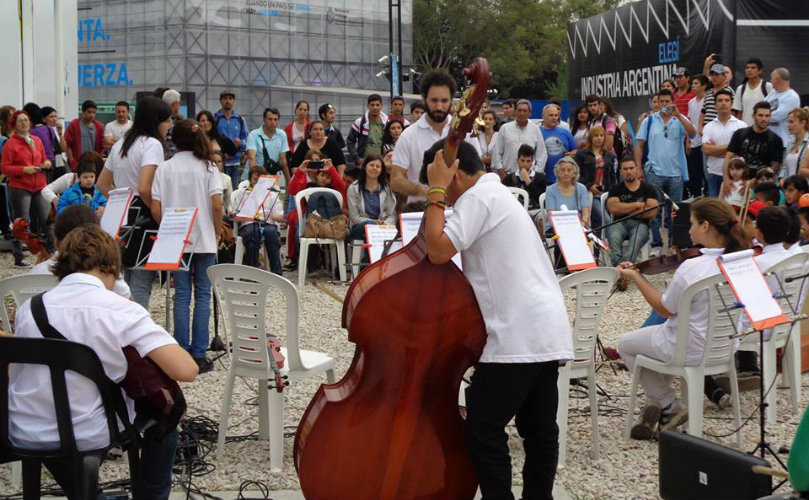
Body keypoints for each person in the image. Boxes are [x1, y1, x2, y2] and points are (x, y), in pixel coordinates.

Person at [421, 138, 572, 500]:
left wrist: (436, 193)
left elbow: (439, 251)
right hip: (545, 326)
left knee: (483, 429)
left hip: (516, 333)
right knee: (539, 431)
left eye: (436, 179)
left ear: (453, 172)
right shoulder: (499, 194)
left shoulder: (478, 198)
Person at [8, 224, 198, 500]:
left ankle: (90, 494)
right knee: (166, 413)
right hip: (84, 431)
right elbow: (187, 370)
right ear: (112, 267)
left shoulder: (30, 308)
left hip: (25, 426)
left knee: (57, 411)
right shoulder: (119, 309)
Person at [617, 198, 750, 439]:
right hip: (725, 347)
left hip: (688, 348)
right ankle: (657, 405)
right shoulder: (742, 261)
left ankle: (668, 404)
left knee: (626, 345)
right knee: (655, 344)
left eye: (692, 223)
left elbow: (665, 309)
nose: (689, 230)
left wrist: (637, 278)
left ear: (706, 226)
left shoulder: (693, 267)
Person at [151, 119, 224, 373]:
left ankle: (180, 349)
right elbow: (216, 204)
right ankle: (199, 352)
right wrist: (217, 229)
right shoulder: (208, 167)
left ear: (173, 140)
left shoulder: (164, 168)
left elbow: (156, 207)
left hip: (176, 240)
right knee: (203, 293)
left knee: (182, 295)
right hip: (203, 237)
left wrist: (169, 227)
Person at [98, 97, 173, 310]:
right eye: (167, 121)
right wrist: (157, 212)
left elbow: (102, 183)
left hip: (121, 212)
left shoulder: (122, 142)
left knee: (123, 276)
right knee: (141, 276)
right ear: (155, 121)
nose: (170, 125)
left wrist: (121, 199)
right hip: (143, 214)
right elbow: (144, 188)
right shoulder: (152, 145)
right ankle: (137, 327)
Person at [634, 89, 697, 256]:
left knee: (674, 212)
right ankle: (657, 245)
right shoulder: (649, 121)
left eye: (667, 101)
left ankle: (674, 244)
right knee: (654, 211)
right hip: (654, 171)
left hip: (675, 172)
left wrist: (680, 115)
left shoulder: (680, 120)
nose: (664, 105)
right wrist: (639, 167)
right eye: (661, 101)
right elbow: (639, 145)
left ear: (672, 101)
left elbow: (693, 133)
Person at [391, 69, 458, 203]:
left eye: (444, 101)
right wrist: (427, 192)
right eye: (434, 100)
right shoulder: (409, 135)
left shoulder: (462, 131)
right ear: (424, 99)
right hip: (420, 211)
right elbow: (396, 180)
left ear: (452, 101)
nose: (439, 106)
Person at [2, 109, 55, 266]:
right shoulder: (10, 144)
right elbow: (5, 168)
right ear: (14, 125)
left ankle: (51, 252)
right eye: (20, 121)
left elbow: (46, 158)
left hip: (39, 184)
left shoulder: (36, 140)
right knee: (22, 222)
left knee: (48, 220)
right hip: (20, 186)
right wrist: (23, 169)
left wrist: (46, 163)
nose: (24, 123)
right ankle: (19, 257)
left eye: (26, 120)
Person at [285, 150, 346, 270]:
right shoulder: (306, 182)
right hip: (309, 215)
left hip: (329, 216)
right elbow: (292, 191)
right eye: (312, 161)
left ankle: (333, 264)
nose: (324, 179)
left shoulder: (331, 181)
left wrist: (331, 169)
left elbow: (342, 187)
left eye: (318, 161)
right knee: (300, 229)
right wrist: (299, 172)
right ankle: (304, 262)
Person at [606, 157, 659, 266]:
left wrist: (624, 209)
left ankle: (620, 270)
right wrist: (637, 205)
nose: (628, 172)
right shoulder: (615, 189)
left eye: (631, 168)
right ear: (620, 171)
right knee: (613, 237)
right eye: (625, 169)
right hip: (618, 223)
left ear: (637, 170)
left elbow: (652, 212)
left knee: (635, 242)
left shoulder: (649, 189)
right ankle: (626, 268)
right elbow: (613, 209)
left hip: (641, 225)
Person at [722, 101, 784, 192]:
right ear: (753, 116)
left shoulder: (776, 140)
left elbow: (774, 167)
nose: (764, 119)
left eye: (767, 116)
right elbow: (728, 157)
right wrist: (726, 178)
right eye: (760, 115)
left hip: (761, 187)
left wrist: (753, 181)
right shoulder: (740, 134)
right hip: (736, 184)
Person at [232, 165, 283, 274]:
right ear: (250, 179)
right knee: (252, 234)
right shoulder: (242, 193)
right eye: (255, 179)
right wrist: (244, 213)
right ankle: (253, 272)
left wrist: (268, 215)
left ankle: (277, 272)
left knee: (271, 234)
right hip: (249, 224)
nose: (257, 183)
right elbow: (235, 215)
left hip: (267, 223)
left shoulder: (272, 194)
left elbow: (280, 217)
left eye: (260, 181)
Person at [701, 88, 747, 197]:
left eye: (727, 100)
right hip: (714, 174)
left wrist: (716, 150)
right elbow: (706, 149)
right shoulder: (708, 126)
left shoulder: (741, 126)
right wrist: (731, 149)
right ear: (715, 105)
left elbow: (742, 151)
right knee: (715, 210)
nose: (723, 103)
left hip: (736, 176)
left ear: (731, 104)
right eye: (720, 100)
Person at [493, 100, 547, 182]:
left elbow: (542, 154)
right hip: (508, 175)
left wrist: (535, 173)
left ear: (530, 113)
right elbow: (496, 152)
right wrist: (500, 171)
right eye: (519, 110)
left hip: (529, 177)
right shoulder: (505, 128)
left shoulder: (535, 129)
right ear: (515, 112)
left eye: (525, 111)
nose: (522, 113)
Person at [576, 126, 618, 230]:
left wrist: (613, 193)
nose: (599, 138)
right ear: (590, 138)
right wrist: (589, 186)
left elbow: (613, 176)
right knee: (606, 221)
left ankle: (599, 245)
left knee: (599, 224)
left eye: (601, 135)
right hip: (589, 194)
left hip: (606, 194)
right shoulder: (581, 154)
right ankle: (612, 245)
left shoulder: (609, 155)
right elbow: (576, 174)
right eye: (596, 136)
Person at [347, 154, 397, 241]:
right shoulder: (353, 188)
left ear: (381, 170)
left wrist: (385, 224)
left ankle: (372, 254)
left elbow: (392, 215)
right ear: (364, 167)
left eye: (378, 166)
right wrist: (374, 223)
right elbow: (354, 217)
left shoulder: (386, 189)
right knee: (369, 227)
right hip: (360, 227)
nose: (374, 168)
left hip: (382, 228)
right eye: (371, 165)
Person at [245, 107, 291, 185]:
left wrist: (289, 182)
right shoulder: (254, 134)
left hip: (271, 178)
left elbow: (283, 160)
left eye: (275, 119)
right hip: (253, 177)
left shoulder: (282, 134)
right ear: (264, 120)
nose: (273, 122)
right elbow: (252, 158)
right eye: (270, 119)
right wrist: (255, 181)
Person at [543, 157, 590, 231]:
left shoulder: (582, 188)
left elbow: (586, 214)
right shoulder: (550, 190)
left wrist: (581, 226)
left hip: (578, 226)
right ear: (557, 173)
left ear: (574, 174)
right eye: (562, 170)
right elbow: (551, 215)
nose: (566, 173)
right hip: (556, 227)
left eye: (569, 170)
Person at [214, 90, 249, 190]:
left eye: (230, 98)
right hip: (220, 163)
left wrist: (240, 143)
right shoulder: (215, 119)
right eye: (225, 98)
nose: (227, 101)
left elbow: (247, 140)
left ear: (234, 101)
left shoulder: (240, 119)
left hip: (236, 162)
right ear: (220, 101)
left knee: (234, 191)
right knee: (220, 189)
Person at [501, 144, 545, 213]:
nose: (525, 164)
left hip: (535, 211)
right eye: (522, 160)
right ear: (517, 160)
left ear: (532, 161)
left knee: (541, 218)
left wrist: (528, 181)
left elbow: (542, 200)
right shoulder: (508, 178)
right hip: (515, 211)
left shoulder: (540, 177)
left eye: (528, 161)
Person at [764, 68, 801, 147]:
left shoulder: (792, 96)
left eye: (772, 79)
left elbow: (778, 116)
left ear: (778, 80)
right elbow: (760, 108)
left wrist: (763, 117)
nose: (770, 81)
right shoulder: (772, 94)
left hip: (783, 142)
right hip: (767, 140)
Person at [347, 94, 388, 165]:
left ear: (381, 106)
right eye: (372, 105)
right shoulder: (359, 122)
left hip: (381, 163)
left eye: (377, 105)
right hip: (363, 163)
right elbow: (350, 142)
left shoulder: (387, 123)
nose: (375, 107)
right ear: (368, 106)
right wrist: (357, 158)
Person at [540, 104, 577, 184]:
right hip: (542, 178)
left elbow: (575, 150)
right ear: (543, 116)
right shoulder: (537, 132)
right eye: (551, 115)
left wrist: (572, 154)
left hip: (563, 178)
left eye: (556, 115)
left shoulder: (565, 132)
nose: (554, 118)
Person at [64, 100, 104, 171]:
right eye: (89, 112)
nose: (91, 115)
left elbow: (102, 147)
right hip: (78, 163)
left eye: (94, 112)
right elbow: (68, 145)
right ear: (83, 112)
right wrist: (72, 162)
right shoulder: (74, 124)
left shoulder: (99, 126)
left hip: (93, 164)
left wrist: (98, 161)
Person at [686, 74, 709, 198]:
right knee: (694, 171)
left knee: (705, 171)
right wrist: (688, 141)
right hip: (693, 141)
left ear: (704, 86)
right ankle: (695, 195)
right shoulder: (691, 102)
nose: (693, 86)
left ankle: (707, 195)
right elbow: (690, 122)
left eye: (696, 84)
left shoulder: (708, 100)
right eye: (693, 83)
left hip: (704, 142)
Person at [732, 58, 774, 126]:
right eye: (747, 68)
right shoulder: (741, 89)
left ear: (760, 71)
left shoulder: (768, 87)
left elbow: (773, 110)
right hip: (746, 129)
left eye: (753, 68)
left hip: (763, 129)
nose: (749, 70)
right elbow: (739, 112)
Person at [699, 64, 735, 132]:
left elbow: (733, 111)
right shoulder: (708, 92)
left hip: (723, 128)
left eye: (717, 74)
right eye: (712, 75)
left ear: (724, 76)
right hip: (707, 130)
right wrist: (700, 126)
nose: (714, 77)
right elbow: (703, 111)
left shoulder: (730, 91)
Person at [40, 106, 68, 177]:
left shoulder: (54, 131)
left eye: (55, 116)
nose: (54, 119)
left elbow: (63, 149)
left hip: (58, 163)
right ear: (44, 119)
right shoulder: (42, 132)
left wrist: (60, 134)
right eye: (51, 117)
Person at [784, 107, 809, 179]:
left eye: (791, 122)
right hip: (790, 186)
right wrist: (782, 179)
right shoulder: (789, 143)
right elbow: (784, 167)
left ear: (803, 123)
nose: (788, 125)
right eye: (788, 122)